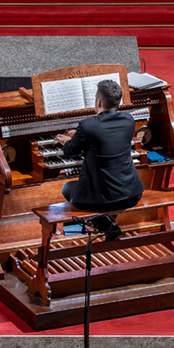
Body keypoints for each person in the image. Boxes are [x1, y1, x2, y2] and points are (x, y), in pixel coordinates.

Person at [54, 78, 143, 239]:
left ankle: (106, 225)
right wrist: (81, 137)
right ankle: (108, 221)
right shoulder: (129, 120)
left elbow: (70, 151)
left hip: (103, 197)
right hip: (132, 193)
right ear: (119, 102)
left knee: (67, 189)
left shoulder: (87, 126)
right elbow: (104, 139)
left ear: (99, 102)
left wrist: (67, 140)